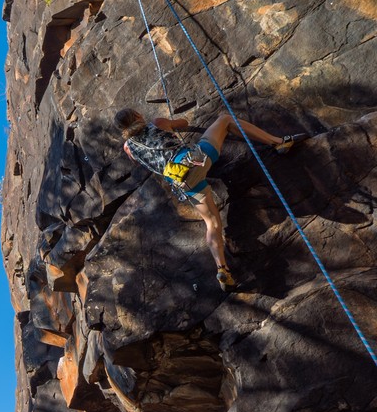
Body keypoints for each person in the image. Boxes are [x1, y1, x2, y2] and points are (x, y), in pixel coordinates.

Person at [113, 108, 304, 291]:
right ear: (138, 115)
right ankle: (277, 142)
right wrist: (171, 125)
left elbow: (139, 158)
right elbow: (183, 123)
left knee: (212, 223)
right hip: (193, 160)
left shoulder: (129, 147)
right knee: (225, 119)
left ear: (122, 129)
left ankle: (222, 269)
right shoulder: (157, 123)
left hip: (181, 180)